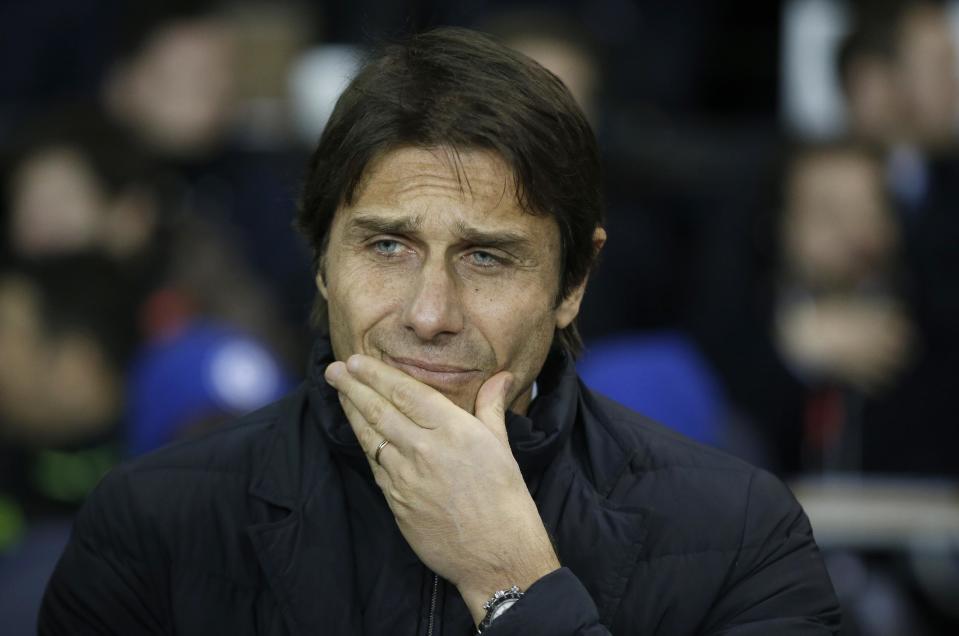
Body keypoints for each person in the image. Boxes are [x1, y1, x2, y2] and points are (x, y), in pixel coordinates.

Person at [40, 27, 840, 634]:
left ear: (572, 284)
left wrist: (516, 584)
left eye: (487, 257)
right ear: (322, 263)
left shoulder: (740, 532)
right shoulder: (151, 524)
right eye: (386, 246)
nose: (429, 314)